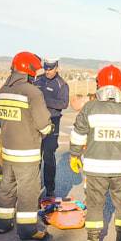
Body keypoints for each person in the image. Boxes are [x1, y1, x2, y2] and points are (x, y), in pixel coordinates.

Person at [69, 65, 121, 241]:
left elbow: (78, 133)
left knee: (95, 205)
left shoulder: (90, 108)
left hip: (95, 167)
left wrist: (74, 155)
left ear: (99, 85)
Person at [0, 52, 51, 241]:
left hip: (8, 150)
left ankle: (3, 223)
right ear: (29, 70)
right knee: (28, 191)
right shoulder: (32, 92)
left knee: (7, 187)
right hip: (27, 152)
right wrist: (48, 129)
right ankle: (28, 230)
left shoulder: (2, 90)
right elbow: (44, 125)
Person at [34, 58, 70, 198]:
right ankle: (34, 187)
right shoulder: (38, 80)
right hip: (36, 122)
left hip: (52, 122)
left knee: (48, 156)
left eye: (50, 69)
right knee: (35, 157)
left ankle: (50, 188)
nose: (48, 71)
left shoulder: (61, 84)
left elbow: (64, 104)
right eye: (46, 69)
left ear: (57, 68)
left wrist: (44, 101)